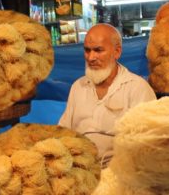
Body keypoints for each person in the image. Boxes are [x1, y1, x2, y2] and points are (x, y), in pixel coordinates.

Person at [58, 23, 156, 164]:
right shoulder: (78, 87)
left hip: (121, 172)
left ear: (117, 52)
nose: (91, 57)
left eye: (98, 50)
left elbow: (147, 144)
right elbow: (64, 131)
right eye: (87, 50)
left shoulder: (137, 88)